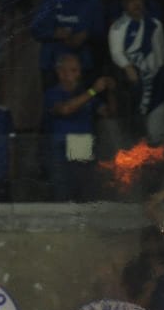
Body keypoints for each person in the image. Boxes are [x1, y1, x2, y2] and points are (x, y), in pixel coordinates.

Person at [108, 0, 164, 146]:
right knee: (135, 139)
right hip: (134, 89)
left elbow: (162, 55)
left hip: (158, 85)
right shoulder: (118, 28)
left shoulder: (155, 25)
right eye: (131, 0)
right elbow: (116, 52)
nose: (136, 4)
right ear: (124, 3)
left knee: (158, 137)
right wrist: (128, 67)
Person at [43, 54, 113, 202]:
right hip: (60, 148)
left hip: (81, 144)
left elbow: (108, 113)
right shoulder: (52, 93)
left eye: (78, 70)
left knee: (84, 193)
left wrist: (110, 90)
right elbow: (65, 109)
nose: (78, 74)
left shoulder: (85, 94)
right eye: (73, 70)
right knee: (62, 194)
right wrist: (93, 90)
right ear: (61, 73)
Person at [31, 0, 105, 86]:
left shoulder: (92, 0)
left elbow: (101, 31)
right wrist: (54, 33)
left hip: (82, 64)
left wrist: (86, 35)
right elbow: (35, 29)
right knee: (54, 104)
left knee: (82, 104)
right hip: (51, 64)